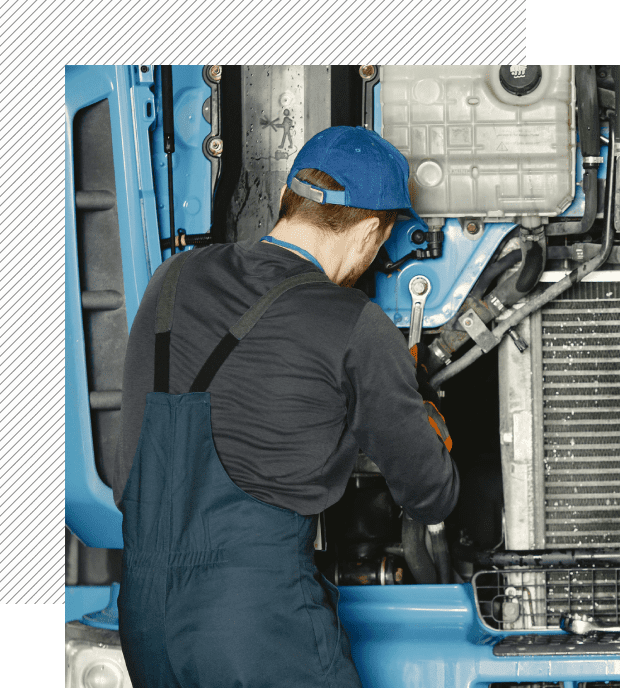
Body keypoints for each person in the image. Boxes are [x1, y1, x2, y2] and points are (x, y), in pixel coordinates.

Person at [112, 125, 459, 688]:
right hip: (257, 624)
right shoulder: (353, 323)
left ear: (283, 200)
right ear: (371, 230)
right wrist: (414, 408)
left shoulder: (171, 279)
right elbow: (430, 493)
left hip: (146, 620)